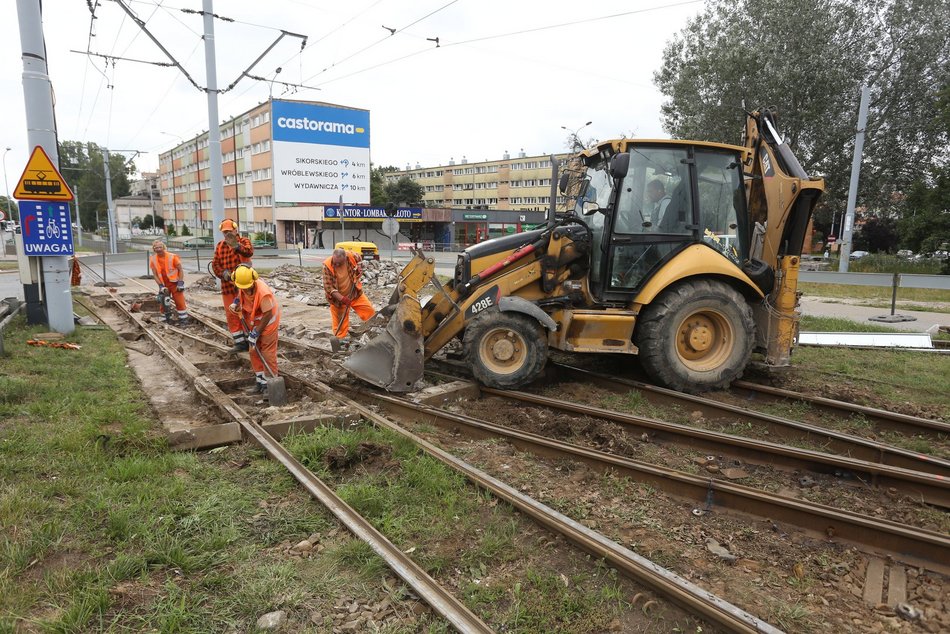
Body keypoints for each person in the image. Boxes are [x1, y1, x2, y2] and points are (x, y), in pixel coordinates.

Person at [229, 265, 281, 396]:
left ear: (253, 279)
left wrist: (256, 333)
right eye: (243, 287)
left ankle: (270, 386)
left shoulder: (263, 292)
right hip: (254, 322)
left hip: (268, 323)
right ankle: (260, 383)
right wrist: (236, 303)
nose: (246, 289)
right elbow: (240, 294)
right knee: (253, 351)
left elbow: (268, 314)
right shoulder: (242, 284)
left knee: (267, 353)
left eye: (248, 287)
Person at [211, 218, 254, 352]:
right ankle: (240, 343)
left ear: (235, 230)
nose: (227, 234)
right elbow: (215, 264)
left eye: (229, 231)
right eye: (225, 232)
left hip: (245, 285)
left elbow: (249, 251)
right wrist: (224, 274)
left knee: (247, 311)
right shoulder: (220, 246)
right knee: (232, 313)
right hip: (228, 286)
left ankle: (250, 340)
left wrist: (236, 246)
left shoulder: (244, 241)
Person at [322, 247, 375, 339]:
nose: (337, 264)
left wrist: (359, 266)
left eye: (339, 263)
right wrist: (343, 299)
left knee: (370, 312)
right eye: (335, 262)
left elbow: (359, 258)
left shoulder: (351, 256)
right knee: (340, 324)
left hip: (354, 294)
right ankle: (340, 340)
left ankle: (374, 332)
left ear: (345, 258)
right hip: (338, 300)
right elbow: (329, 287)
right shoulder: (327, 265)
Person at [149, 239, 190, 325]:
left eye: (160, 247)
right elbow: (155, 275)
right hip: (164, 285)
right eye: (156, 248)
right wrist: (160, 286)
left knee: (179, 301)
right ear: (154, 249)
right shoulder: (153, 259)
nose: (158, 249)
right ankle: (165, 319)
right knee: (164, 302)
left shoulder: (172, 257)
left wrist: (180, 283)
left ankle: (183, 319)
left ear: (163, 247)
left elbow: (180, 270)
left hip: (174, 283)